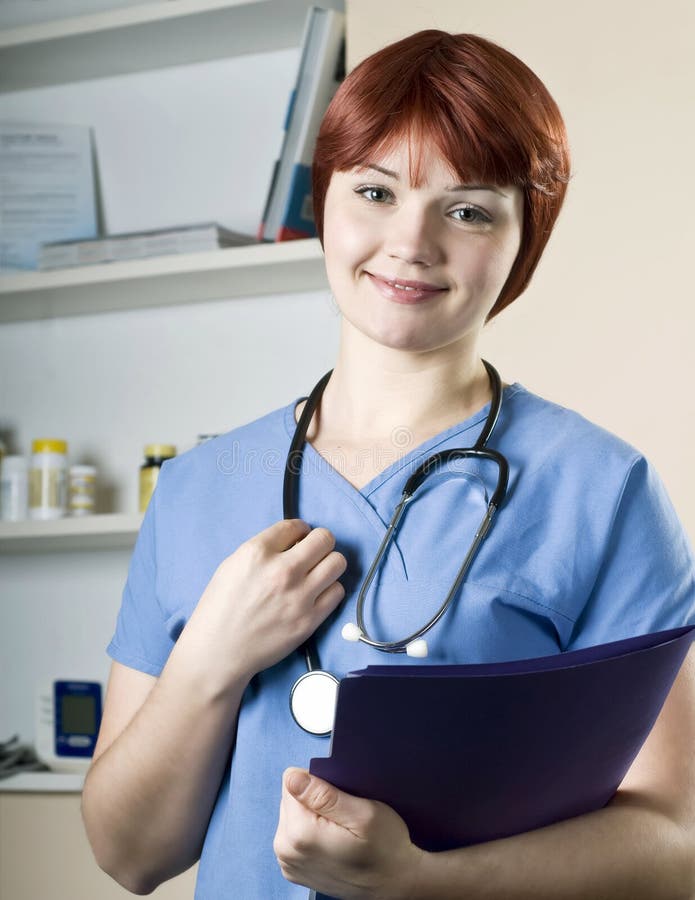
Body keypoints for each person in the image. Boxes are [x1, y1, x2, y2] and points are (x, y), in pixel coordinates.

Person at [81, 30, 695, 899]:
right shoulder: (195, 488)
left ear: (525, 239)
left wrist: (420, 882)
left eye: (470, 209)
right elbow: (128, 854)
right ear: (323, 203)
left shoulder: (600, 491)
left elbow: (673, 845)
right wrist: (208, 662)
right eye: (374, 191)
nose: (411, 242)